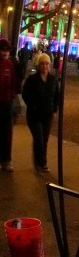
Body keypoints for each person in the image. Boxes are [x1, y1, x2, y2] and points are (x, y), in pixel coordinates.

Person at [21, 53, 59, 173]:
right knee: (39, 139)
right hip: (34, 115)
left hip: (47, 114)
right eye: (42, 64)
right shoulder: (32, 79)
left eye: (47, 64)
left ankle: (41, 163)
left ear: (50, 65)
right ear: (38, 65)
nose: (44, 66)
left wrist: (55, 108)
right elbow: (25, 94)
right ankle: (40, 163)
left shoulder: (53, 79)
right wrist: (32, 106)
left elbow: (57, 95)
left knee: (44, 139)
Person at [0, 38, 21, 172]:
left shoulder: (10, 64)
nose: (5, 52)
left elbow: (14, 81)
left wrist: (12, 94)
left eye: (7, 50)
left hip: (7, 102)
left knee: (7, 132)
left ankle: (6, 160)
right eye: (2, 50)